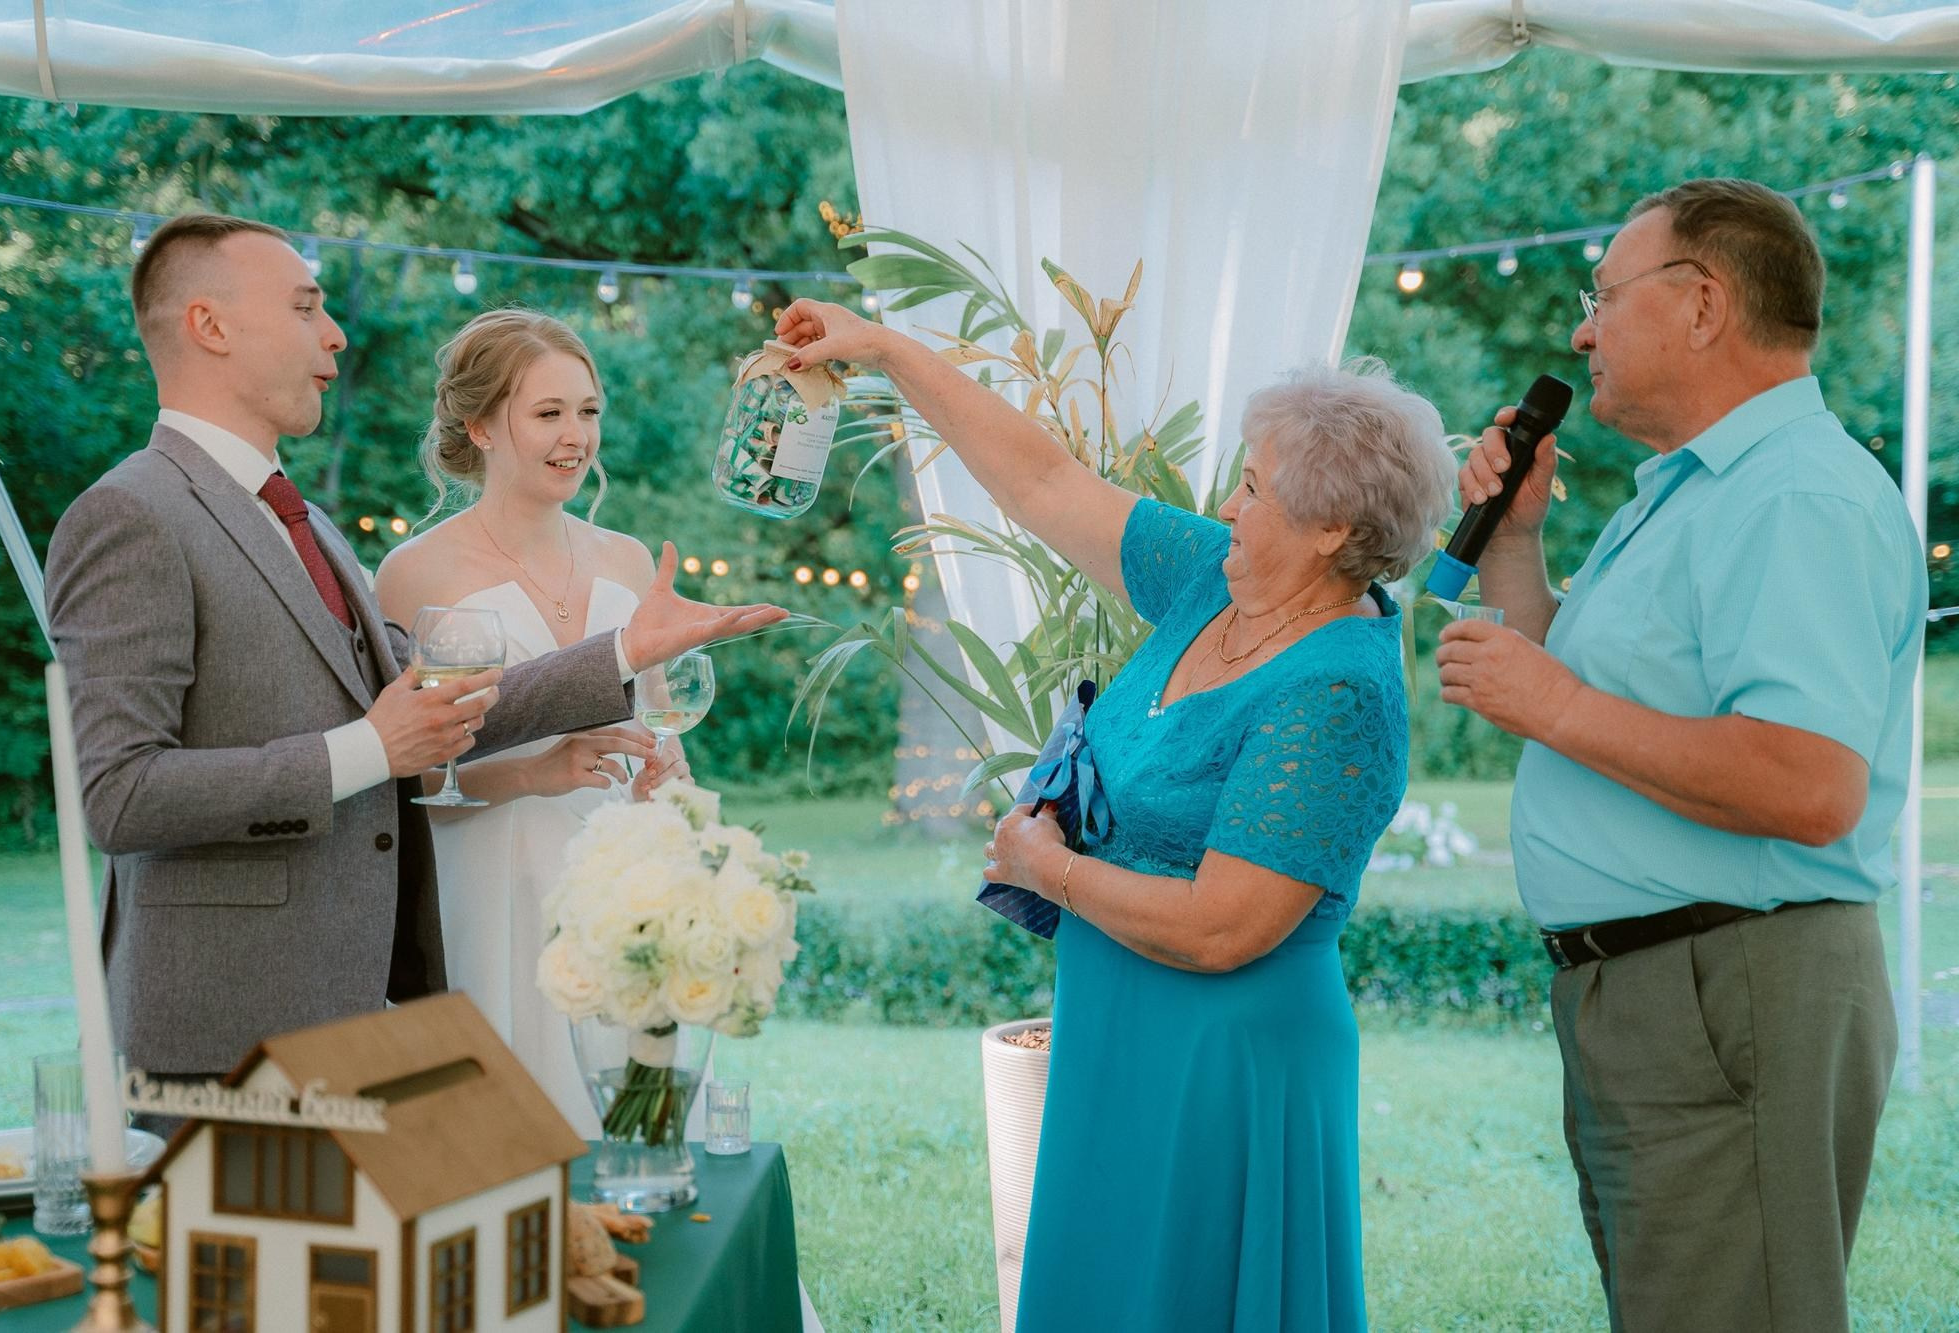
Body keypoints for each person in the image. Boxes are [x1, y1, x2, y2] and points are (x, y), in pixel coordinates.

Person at [778, 298, 1455, 1331]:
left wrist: (1040, 864)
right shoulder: (1213, 581)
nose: (1229, 505)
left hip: (1225, 1062)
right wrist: (881, 350)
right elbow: (1044, 480)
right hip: (1116, 1023)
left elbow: (1226, 925)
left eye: (1251, 488)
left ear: (1329, 530)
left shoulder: (1338, 692)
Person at [43, 214, 785, 1105]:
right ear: (211, 326)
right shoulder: (130, 513)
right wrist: (369, 749)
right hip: (223, 1034)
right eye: (306, 306)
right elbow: (118, 794)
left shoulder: (304, 522)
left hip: (347, 1013)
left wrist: (627, 649)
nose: (336, 333)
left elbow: (443, 708)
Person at [1435, 179, 1923, 1332]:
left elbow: (1807, 785)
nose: (1580, 330)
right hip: (1670, 987)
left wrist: (1549, 706)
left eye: (1600, 296)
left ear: (1700, 305)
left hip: (1729, 982)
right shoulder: (1701, 494)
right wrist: (1515, 552)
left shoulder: (1791, 498)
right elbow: (1619, 703)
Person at [375, 308, 691, 1136]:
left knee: (636, 1122)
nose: (575, 436)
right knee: (519, 1126)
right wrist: (534, 772)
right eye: (548, 413)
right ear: (479, 425)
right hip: (495, 882)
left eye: (587, 412)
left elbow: (666, 729)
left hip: (624, 878)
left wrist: (669, 775)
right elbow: (407, 781)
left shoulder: (626, 557)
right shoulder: (414, 572)